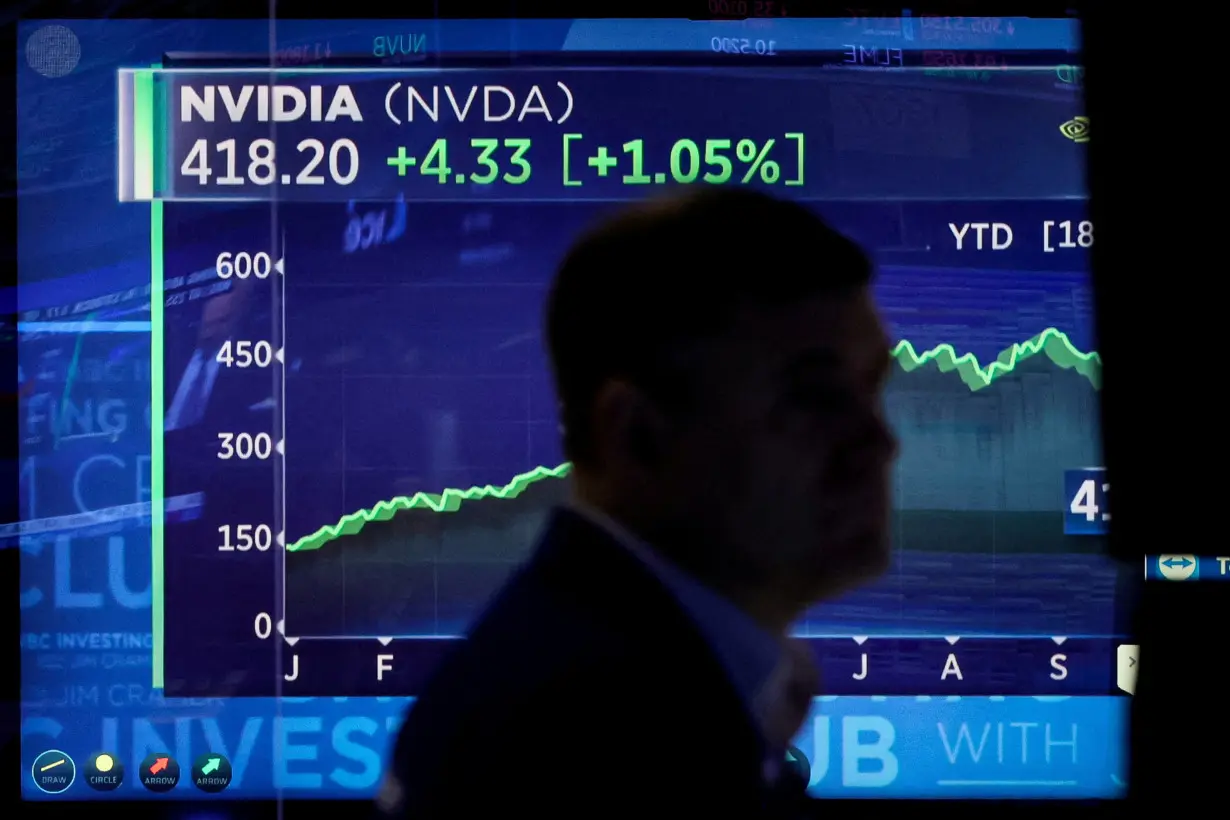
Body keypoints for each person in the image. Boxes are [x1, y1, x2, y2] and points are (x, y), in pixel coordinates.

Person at [380, 189, 898, 817]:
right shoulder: (585, 744)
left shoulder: (606, 680)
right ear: (638, 435)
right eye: (813, 398)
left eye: (873, 390)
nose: (878, 442)